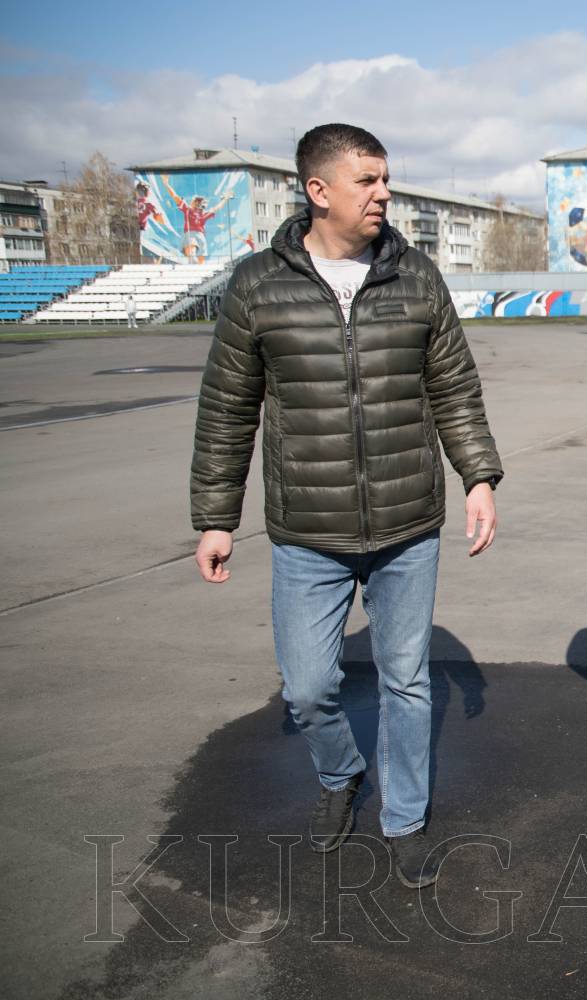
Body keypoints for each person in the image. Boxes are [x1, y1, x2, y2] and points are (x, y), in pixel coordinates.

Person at [189, 123, 502, 889]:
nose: (384, 193)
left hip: (407, 523)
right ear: (318, 190)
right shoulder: (259, 285)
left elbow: (454, 387)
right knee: (307, 688)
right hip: (308, 531)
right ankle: (340, 774)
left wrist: (478, 476)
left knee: (406, 682)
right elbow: (228, 409)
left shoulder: (415, 275)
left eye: (385, 178)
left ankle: (405, 821)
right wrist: (217, 517)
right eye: (368, 180)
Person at [163, 178, 234, 263]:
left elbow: (175, 197)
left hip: (191, 234)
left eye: (192, 201)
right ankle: (199, 268)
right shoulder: (204, 213)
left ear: (195, 203)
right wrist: (225, 199)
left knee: (191, 255)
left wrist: (166, 184)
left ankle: (193, 266)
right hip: (201, 236)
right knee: (201, 260)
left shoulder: (188, 210)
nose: (191, 202)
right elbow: (217, 208)